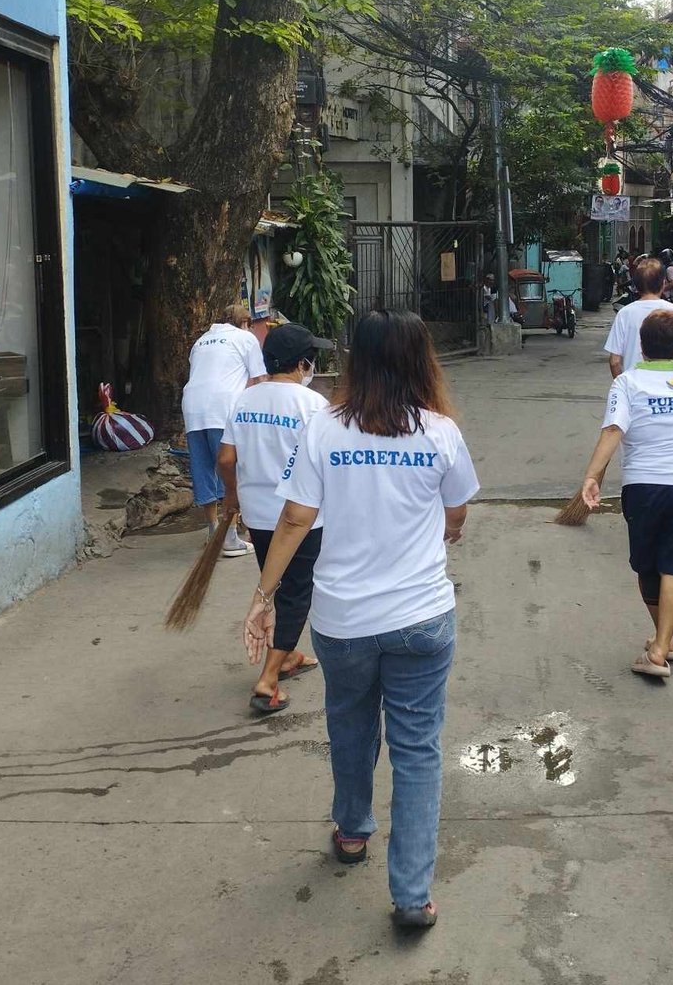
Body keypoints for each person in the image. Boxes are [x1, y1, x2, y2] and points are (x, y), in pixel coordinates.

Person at [244, 310, 478, 930]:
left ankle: (351, 831)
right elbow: (456, 516)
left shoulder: (326, 430)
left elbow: (294, 518)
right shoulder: (441, 433)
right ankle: (411, 895)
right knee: (418, 750)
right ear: (420, 360)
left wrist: (264, 596)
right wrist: (436, 531)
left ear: (357, 361)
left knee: (349, 728)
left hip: (343, 621)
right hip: (423, 617)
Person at [581, 310, 673, 678]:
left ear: (642, 347)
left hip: (645, 486)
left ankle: (659, 650)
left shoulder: (628, 382)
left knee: (648, 566)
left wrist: (592, 476)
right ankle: (666, 641)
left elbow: (613, 429)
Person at [218, 322, 332, 715]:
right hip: (300, 516)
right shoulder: (313, 405)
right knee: (297, 591)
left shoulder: (244, 400)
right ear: (303, 363)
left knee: (275, 582)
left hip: (258, 514)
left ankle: (285, 655)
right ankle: (268, 680)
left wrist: (232, 499)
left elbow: (226, 459)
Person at [183, 303, 266, 557]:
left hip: (192, 407)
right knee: (230, 469)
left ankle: (213, 530)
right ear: (245, 323)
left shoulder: (201, 341)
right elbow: (261, 380)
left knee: (203, 468)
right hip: (223, 408)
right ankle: (229, 537)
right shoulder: (245, 339)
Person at [603, 257, 673, 376]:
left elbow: (615, 361)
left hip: (634, 386)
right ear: (663, 283)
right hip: (668, 386)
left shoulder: (624, 313)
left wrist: (623, 385)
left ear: (636, 285)